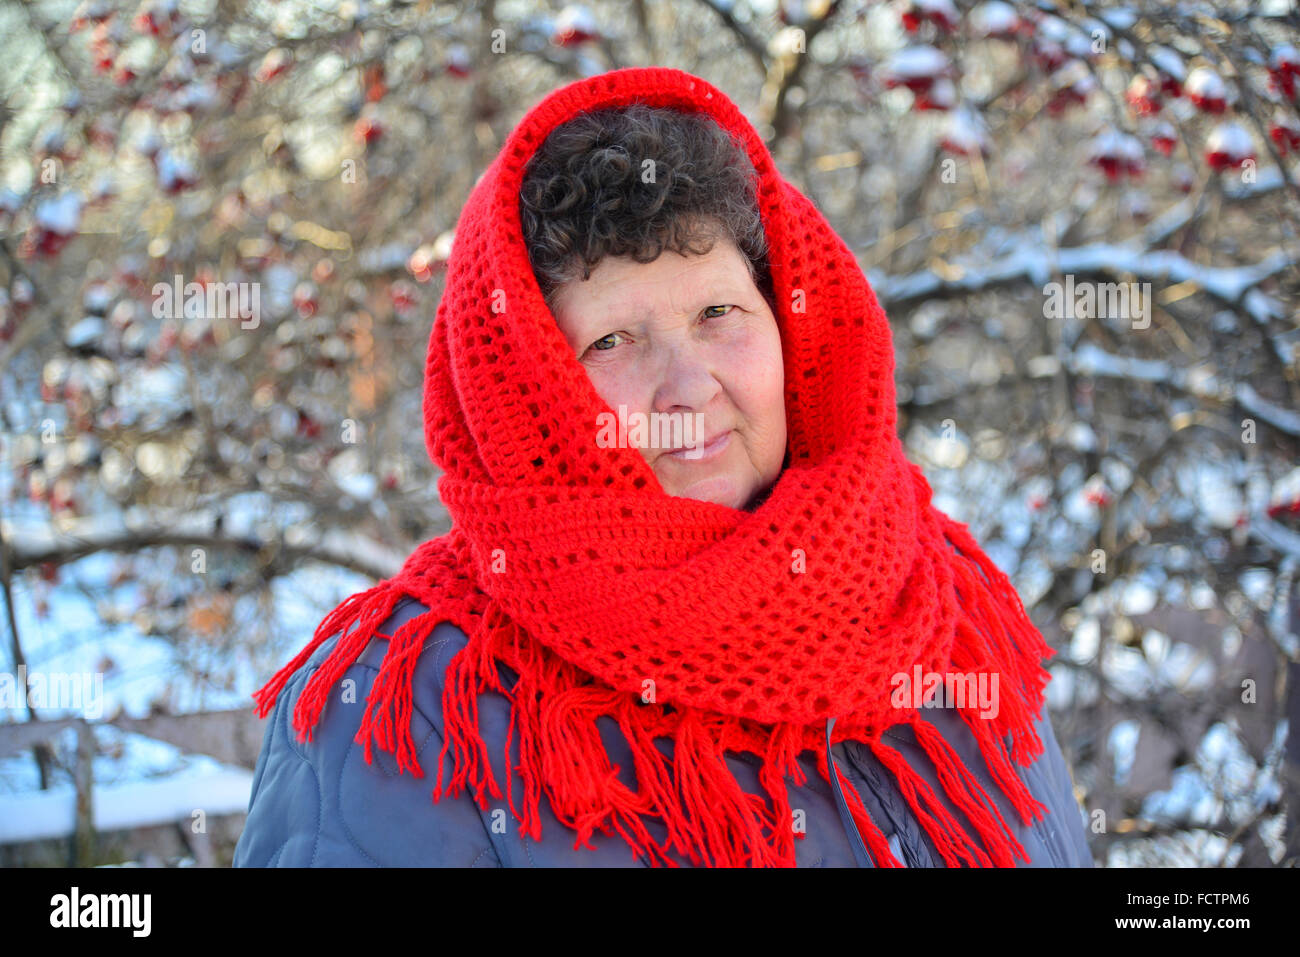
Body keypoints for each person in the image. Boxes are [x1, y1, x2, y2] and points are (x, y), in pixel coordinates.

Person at [233, 66, 1093, 867]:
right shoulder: (410, 710)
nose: (688, 388)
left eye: (720, 310)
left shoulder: (943, 605)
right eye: (613, 341)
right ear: (528, 392)